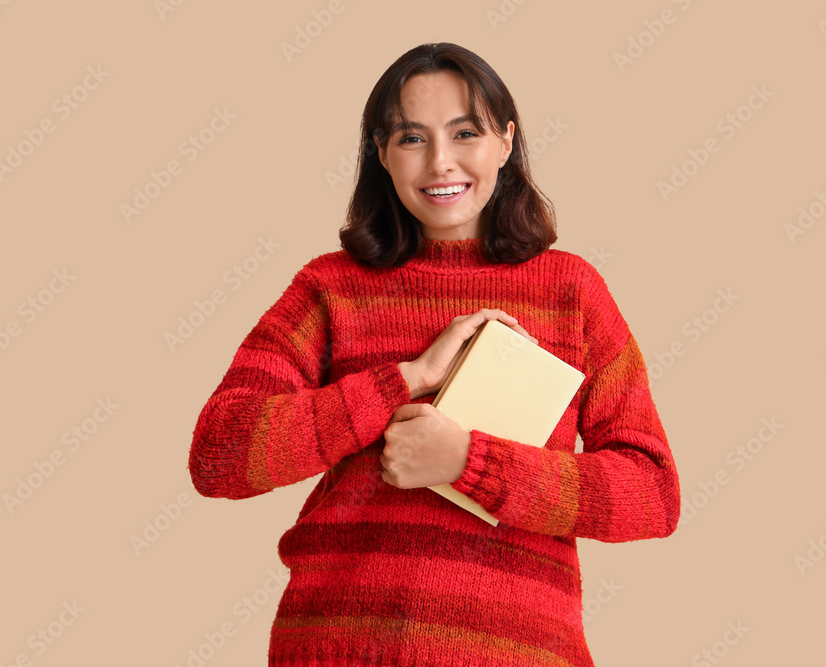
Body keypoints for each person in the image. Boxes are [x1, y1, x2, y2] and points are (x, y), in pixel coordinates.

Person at [188, 42, 680, 667]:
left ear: (505, 142)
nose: (440, 162)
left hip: (518, 653)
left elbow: (652, 493)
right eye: (412, 138)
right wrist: (402, 381)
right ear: (382, 153)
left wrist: (470, 462)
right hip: (339, 645)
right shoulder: (329, 287)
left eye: (465, 133)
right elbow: (221, 455)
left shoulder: (572, 291)